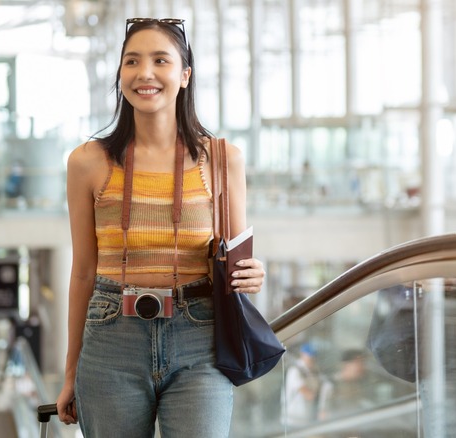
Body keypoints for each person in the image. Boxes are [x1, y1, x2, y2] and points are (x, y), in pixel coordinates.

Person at [55, 18, 266, 437]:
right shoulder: (87, 162)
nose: (144, 73)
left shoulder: (222, 160)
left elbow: (236, 261)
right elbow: (83, 272)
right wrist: (70, 372)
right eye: (132, 61)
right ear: (120, 75)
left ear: (185, 75)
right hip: (112, 335)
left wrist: (254, 274)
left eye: (160, 60)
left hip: (199, 336)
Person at [282, 343, 332, 429]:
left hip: (306, 420)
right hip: (292, 421)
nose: (312, 359)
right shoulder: (295, 370)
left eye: (314, 356)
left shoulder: (314, 370)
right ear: (302, 355)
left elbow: (324, 385)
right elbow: (308, 394)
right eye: (310, 356)